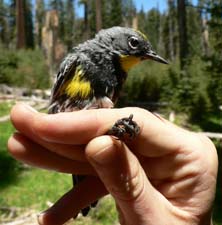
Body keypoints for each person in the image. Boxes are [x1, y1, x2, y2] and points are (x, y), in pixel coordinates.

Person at [8, 103, 218, 225]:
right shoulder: (82, 62)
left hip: (92, 138)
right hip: (74, 136)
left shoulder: (115, 74)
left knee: (103, 147)